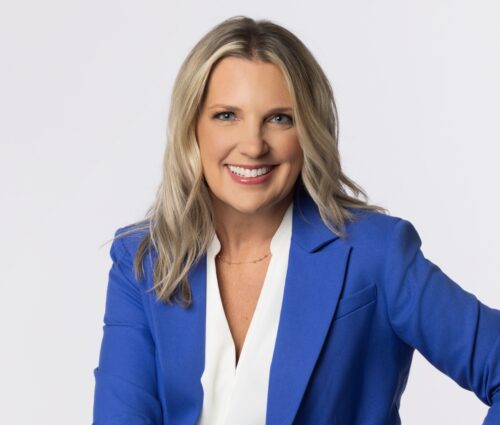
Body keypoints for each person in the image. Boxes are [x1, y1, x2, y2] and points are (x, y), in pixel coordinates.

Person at [92, 15, 500, 425]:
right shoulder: (142, 260)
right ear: (192, 128)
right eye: (227, 115)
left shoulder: (375, 253)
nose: (253, 145)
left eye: (279, 118)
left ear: (308, 130)